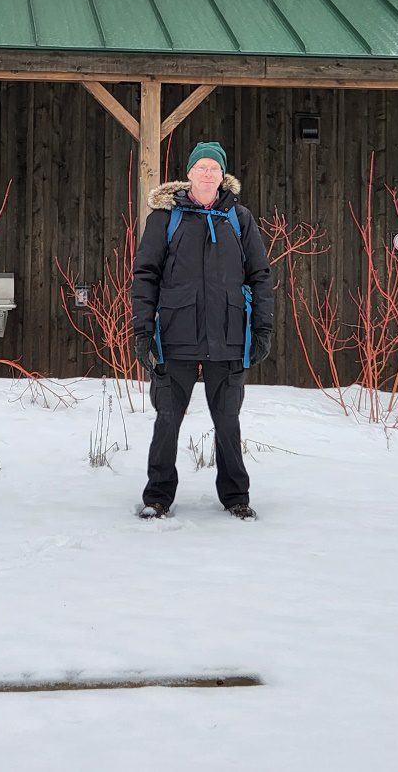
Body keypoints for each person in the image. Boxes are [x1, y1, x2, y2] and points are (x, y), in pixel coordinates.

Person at [131, 141, 274, 521]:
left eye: (214, 167)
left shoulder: (239, 218)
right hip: (174, 337)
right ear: (189, 173)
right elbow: (145, 276)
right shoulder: (165, 218)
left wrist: (262, 328)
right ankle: (157, 497)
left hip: (228, 337)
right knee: (167, 420)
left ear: (222, 175)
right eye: (201, 167)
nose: (207, 173)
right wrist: (143, 331)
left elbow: (260, 276)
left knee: (228, 422)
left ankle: (236, 497)